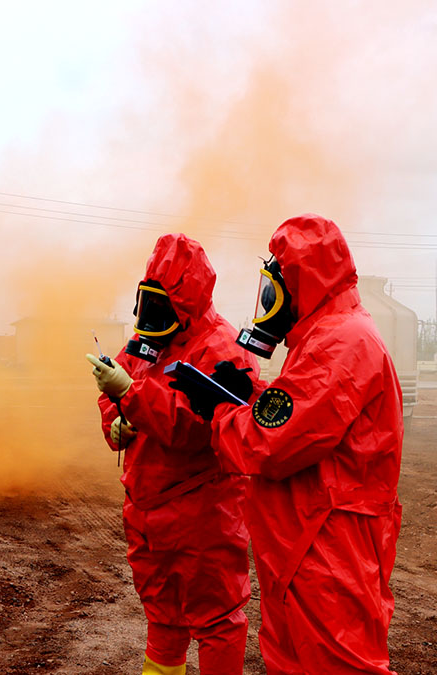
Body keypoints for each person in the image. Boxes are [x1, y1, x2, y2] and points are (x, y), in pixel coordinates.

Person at [169, 214, 403, 674]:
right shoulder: (327, 336)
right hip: (304, 542)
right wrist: (248, 395)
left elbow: (271, 445)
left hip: (328, 548)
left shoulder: (342, 342)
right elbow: (299, 413)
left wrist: (219, 411)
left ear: (301, 283)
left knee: (337, 666)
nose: (269, 304)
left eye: (275, 291)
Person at [86, 233, 259, 675]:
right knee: (162, 615)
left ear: (187, 300)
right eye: (148, 302)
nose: (151, 315)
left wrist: (132, 397)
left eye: (161, 304)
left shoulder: (223, 349)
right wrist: (116, 422)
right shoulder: (149, 339)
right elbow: (118, 382)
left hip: (203, 508)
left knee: (216, 618)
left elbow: (201, 425)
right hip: (148, 505)